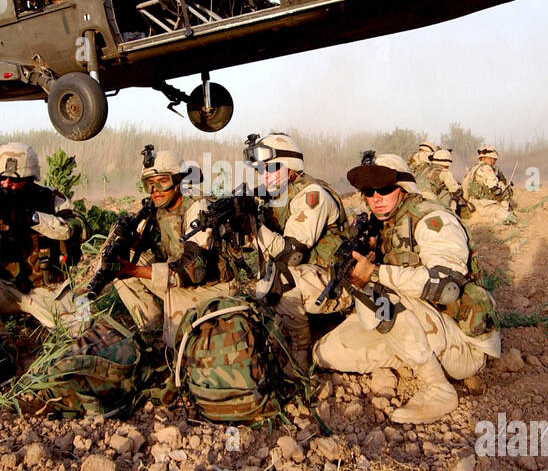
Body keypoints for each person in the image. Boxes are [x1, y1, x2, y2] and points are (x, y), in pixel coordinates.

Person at [314, 153, 501, 424]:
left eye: (385, 189)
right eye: (368, 191)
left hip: (462, 342)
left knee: (383, 294)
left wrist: (376, 273)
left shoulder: (432, 219)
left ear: (404, 188)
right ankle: (414, 355)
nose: (376, 197)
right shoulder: (382, 224)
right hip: (418, 327)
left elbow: (446, 287)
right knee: (326, 352)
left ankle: (438, 388)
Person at [0, 142, 83, 336]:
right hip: (4, 288)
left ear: (30, 179)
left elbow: (79, 229)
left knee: (84, 328)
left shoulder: (49, 199)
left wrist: (29, 217)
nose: (7, 184)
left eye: (14, 180)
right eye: (2, 178)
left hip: (46, 290)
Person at [111, 147, 235, 347]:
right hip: (180, 275)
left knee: (178, 346)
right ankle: (152, 330)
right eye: (149, 184)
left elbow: (194, 270)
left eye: (163, 182)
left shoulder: (197, 208)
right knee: (123, 266)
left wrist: (133, 270)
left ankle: (170, 343)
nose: (155, 191)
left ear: (179, 182)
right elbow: (160, 247)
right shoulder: (160, 208)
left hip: (209, 287)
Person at [247, 132, 350, 369]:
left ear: (290, 166)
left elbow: (292, 254)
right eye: (261, 169)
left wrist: (254, 229)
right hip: (314, 277)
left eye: (271, 168)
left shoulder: (312, 195)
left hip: (339, 281)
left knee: (281, 278)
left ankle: (300, 354)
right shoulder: (275, 193)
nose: (265, 175)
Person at [461, 145, 516, 224]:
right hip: (485, 205)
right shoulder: (487, 169)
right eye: (493, 159)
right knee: (511, 219)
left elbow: (465, 189)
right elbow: (495, 189)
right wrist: (505, 188)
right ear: (489, 159)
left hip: (473, 204)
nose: (494, 162)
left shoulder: (473, 169)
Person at [417, 148, 466, 215]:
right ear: (447, 163)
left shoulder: (424, 169)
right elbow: (455, 190)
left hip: (417, 200)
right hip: (432, 202)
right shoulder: (444, 172)